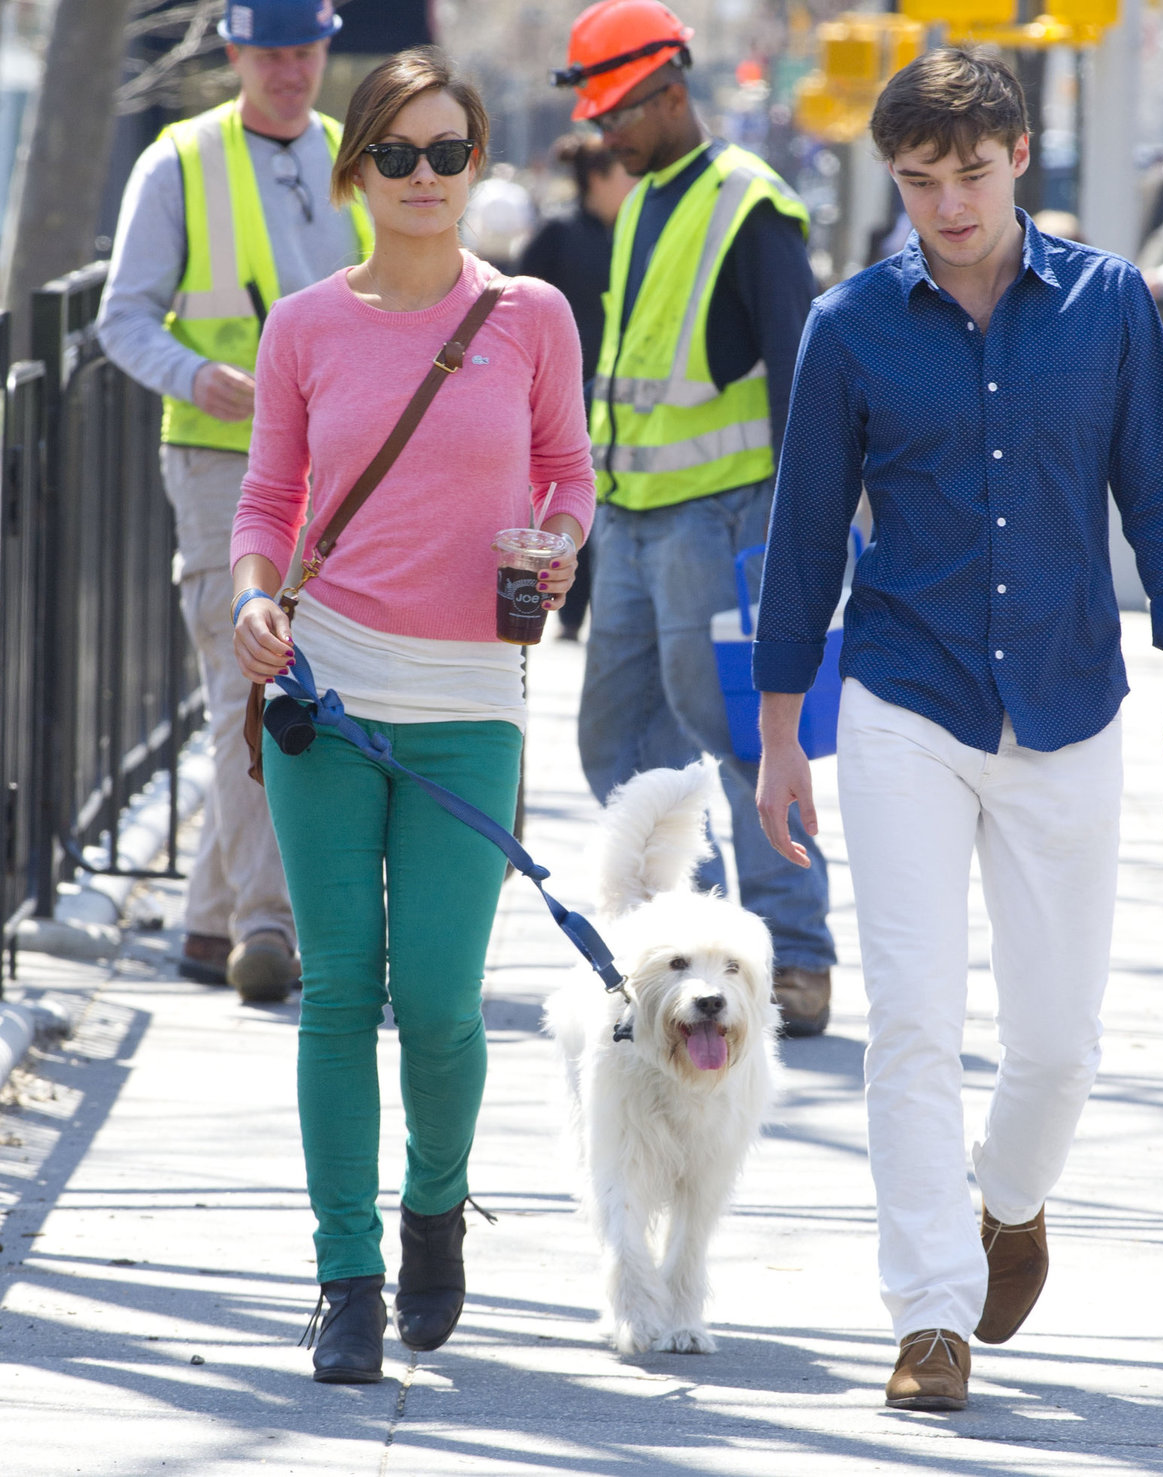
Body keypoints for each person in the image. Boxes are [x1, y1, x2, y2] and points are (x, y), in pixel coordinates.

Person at [752, 47, 1163, 1411]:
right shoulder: (851, 325)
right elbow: (803, 539)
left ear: (1018, 156)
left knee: (1054, 1045)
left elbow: (1161, 492)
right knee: (912, 1020)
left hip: (1067, 699)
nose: (948, 207)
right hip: (907, 699)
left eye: (969, 175)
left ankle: (1012, 1202)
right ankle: (929, 1314)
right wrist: (782, 728)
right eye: (920, 183)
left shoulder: (1104, 305)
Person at [229, 48, 594, 1383]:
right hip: (324, 693)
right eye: (400, 155)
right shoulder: (307, 327)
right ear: (356, 170)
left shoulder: (533, 315)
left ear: (478, 163)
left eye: (449, 154)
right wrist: (257, 601)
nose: (426, 178)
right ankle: (346, 1277)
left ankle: (433, 1212)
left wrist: (556, 542)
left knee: (438, 1002)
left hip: (468, 702)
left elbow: (568, 470)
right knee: (338, 992)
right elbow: (269, 501)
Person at [552, 0, 837, 1035]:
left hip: (718, 523)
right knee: (618, 739)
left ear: (670, 93)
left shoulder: (747, 203)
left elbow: (798, 374)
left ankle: (794, 954)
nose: (604, 136)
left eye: (616, 114)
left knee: (746, 741)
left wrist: (790, 538)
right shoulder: (643, 204)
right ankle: (694, 944)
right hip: (631, 520)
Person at [97, 0, 373, 1004]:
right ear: (235, 53)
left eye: (305, 50)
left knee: (311, 682)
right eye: (272, 53)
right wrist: (191, 374)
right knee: (245, 686)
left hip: (339, 472)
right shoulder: (176, 162)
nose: (292, 71)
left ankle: (212, 923)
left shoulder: (360, 154)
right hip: (220, 461)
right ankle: (268, 922)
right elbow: (120, 317)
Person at [518, 132, 634, 639]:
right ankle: (567, 611)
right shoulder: (558, 235)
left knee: (599, 503)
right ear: (596, 178)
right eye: (624, 174)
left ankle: (592, 607)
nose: (635, 184)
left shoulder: (636, 235)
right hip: (562, 398)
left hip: (619, 399)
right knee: (565, 493)